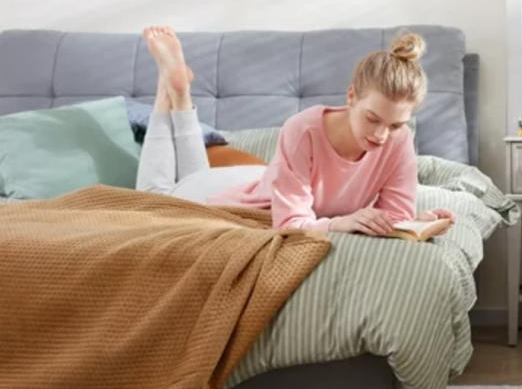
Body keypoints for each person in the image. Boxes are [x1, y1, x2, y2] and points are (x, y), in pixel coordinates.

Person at [135, 26, 454, 236]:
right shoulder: (303, 129)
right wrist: (339, 223)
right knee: (156, 199)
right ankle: (169, 90)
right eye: (373, 119)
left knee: (187, 180)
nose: (382, 135)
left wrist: (416, 223)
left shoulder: (400, 141)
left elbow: (392, 216)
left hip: (263, 182)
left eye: (395, 125)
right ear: (351, 96)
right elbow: (290, 223)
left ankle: (173, 87)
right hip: (242, 198)